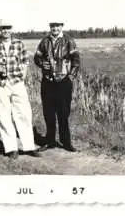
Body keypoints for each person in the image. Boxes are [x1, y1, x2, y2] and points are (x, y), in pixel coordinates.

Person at [0, 19, 41, 159]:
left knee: (24, 114)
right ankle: (11, 148)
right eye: (3, 28)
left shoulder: (19, 44)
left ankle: (28, 146)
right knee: (4, 115)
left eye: (8, 28)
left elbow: (25, 62)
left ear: (11, 29)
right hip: (0, 84)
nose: (5, 31)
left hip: (17, 83)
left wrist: (22, 78)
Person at [34, 21, 81, 152]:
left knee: (63, 114)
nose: (55, 28)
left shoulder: (68, 40)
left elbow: (76, 60)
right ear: (50, 27)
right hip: (47, 82)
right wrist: (42, 63)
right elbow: (36, 58)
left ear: (61, 27)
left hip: (63, 82)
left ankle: (66, 142)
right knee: (48, 113)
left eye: (57, 26)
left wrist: (70, 77)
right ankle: (50, 142)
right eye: (52, 26)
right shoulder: (44, 41)